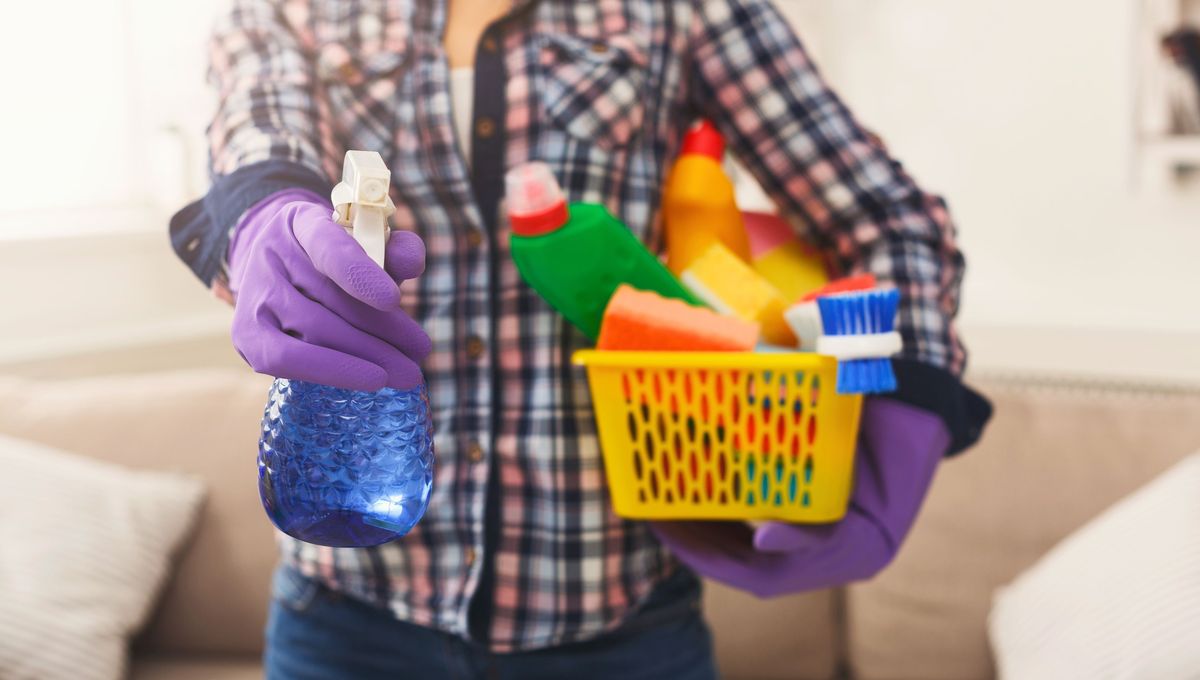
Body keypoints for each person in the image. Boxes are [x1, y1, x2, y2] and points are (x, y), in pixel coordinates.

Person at [169, 0, 992, 677]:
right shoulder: (288, 9)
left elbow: (892, 221)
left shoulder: (683, 10)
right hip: (345, 620)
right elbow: (259, 129)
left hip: (622, 631)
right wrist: (261, 210)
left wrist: (908, 408)